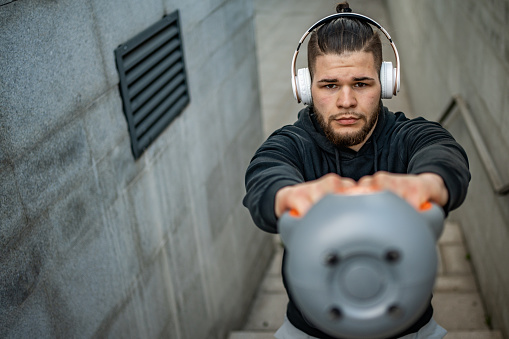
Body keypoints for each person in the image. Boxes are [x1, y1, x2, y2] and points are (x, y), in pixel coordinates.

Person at [243, 2, 470, 339]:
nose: (346, 100)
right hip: (310, 330)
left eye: (361, 84)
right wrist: (289, 193)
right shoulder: (292, 144)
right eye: (330, 85)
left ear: (386, 83)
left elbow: (443, 151)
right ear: (305, 90)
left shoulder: (407, 136)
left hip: (409, 328)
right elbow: (265, 173)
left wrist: (426, 183)